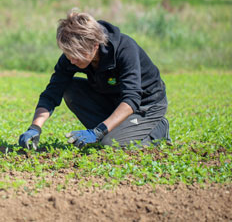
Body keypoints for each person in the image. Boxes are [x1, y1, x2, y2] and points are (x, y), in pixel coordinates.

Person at [19, 10, 170, 150]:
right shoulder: (72, 57)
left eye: (77, 55)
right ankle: (116, 129)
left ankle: (158, 130)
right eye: (68, 54)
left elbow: (131, 98)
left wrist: (98, 132)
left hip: (145, 105)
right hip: (113, 99)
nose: (72, 60)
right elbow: (52, 93)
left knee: (109, 144)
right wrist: (35, 127)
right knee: (70, 89)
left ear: (95, 45)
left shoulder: (125, 49)